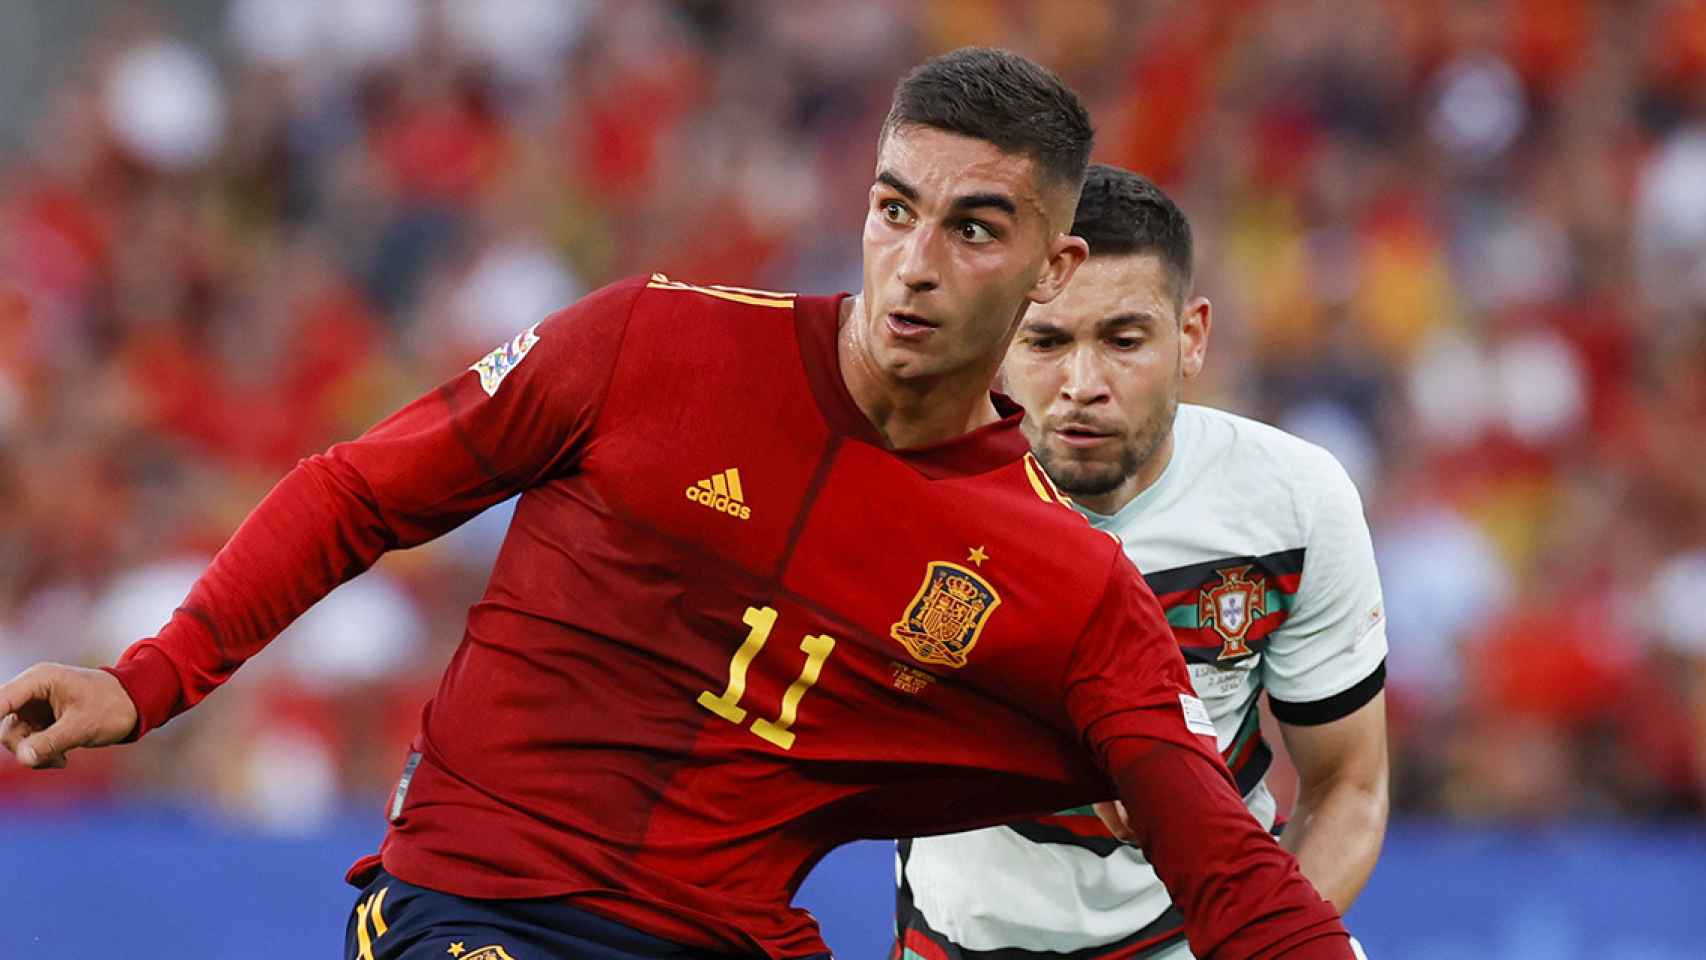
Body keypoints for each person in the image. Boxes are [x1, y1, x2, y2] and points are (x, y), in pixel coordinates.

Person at [0, 52, 1353, 960]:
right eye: (894, 209)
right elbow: (359, 489)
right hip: (475, 903)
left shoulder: (1059, 587)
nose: (914, 265)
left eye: (973, 229)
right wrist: (156, 677)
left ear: (1050, 265)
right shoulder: (650, 343)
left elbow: (1221, 866)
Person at [895, 165, 1389, 960]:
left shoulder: (1294, 502)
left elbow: (1347, 786)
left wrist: (1253, 947)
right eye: (1046, 341)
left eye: (1123, 340)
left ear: (1189, 338)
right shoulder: (906, 503)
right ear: (997, 340)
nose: (1082, 385)